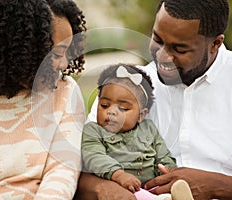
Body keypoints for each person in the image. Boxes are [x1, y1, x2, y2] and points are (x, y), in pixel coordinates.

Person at [74, 0, 232, 199]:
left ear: (215, 44)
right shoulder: (126, 86)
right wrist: (103, 189)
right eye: (158, 40)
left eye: (180, 49)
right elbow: (78, 169)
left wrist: (221, 186)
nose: (163, 57)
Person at [0, 0, 86, 199]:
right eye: (57, 54)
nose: (64, 64)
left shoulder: (65, 92)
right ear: (16, 47)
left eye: (67, 53)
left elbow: (63, 173)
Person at [81, 64, 193, 200]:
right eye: (104, 105)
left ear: (141, 115)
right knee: (138, 196)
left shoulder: (149, 129)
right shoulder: (93, 131)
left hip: (151, 184)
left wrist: (167, 171)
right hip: (121, 187)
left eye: (123, 108)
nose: (111, 111)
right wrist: (118, 175)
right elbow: (94, 157)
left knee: (163, 191)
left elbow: (163, 155)